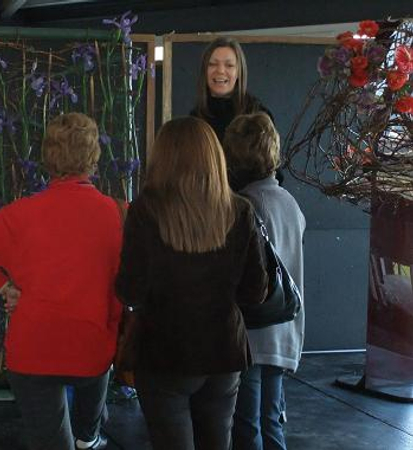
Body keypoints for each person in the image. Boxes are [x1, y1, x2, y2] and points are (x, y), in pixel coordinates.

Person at [0, 112, 122, 450]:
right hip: (94, 349)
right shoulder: (118, 213)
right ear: (94, 157)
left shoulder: (21, 214)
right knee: (88, 433)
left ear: (48, 157)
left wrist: (5, 287)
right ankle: (89, 436)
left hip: (34, 351)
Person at [115, 116, 268, 450]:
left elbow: (129, 290)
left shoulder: (145, 211)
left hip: (163, 354)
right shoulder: (240, 211)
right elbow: (255, 292)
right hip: (223, 351)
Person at [223, 113, 306, 450]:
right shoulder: (290, 203)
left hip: (252, 334)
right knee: (272, 421)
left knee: (246, 427)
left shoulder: (245, 206)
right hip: (285, 331)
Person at [190, 37, 272, 145]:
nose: (220, 70)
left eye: (229, 65)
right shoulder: (195, 120)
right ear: (205, 71)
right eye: (213, 64)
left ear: (239, 72)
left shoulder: (257, 116)